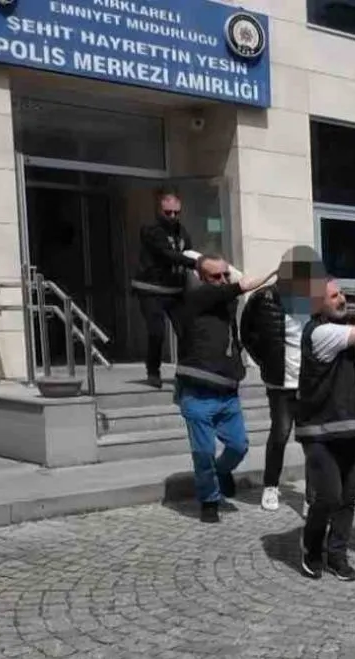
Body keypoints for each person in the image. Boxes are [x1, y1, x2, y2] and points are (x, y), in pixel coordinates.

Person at [175, 254, 276, 523]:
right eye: (215, 276)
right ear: (200, 279)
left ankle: (221, 472)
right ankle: (209, 500)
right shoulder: (195, 298)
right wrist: (273, 271)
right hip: (197, 392)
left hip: (227, 392)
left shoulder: (226, 304)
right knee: (203, 452)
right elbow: (239, 286)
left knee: (238, 446)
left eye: (225, 275)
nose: (222, 281)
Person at [296, 278, 355, 582]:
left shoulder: (347, 329)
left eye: (342, 293)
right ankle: (311, 547)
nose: (342, 299)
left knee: (348, 499)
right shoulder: (319, 332)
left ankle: (337, 554)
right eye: (333, 296)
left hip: (354, 425)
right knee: (329, 497)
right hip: (320, 430)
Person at [239, 247, 321, 512]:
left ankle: (312, 496)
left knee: (312, 440)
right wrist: (265, 361)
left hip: (309, 382)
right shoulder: (264, 298)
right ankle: (271, 485)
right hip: (280, 382)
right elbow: (247, 333)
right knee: (280, 434)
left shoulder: (314, 299)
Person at [132, 189, 195, 389]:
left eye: (176, 212)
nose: (173, 216)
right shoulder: (151, 230)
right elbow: (166, 254)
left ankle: (186, 372)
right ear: (159, 211)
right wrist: (197, 263)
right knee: (156, 332)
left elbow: (188, 252)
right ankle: (153, 371)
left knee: (187, 331)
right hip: (151, 289)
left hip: (175, 290)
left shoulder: (182, 232)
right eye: (168, 212)